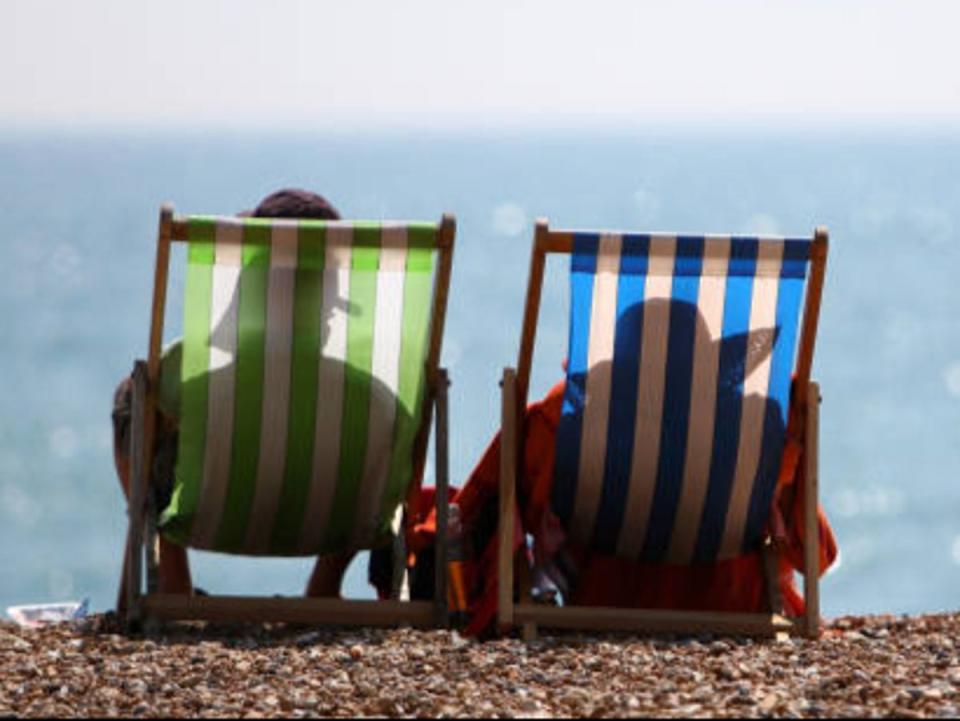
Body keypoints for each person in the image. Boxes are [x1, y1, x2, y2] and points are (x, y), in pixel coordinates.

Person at [409, 364, 838, 638]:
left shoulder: (566, 412)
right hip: (735, 604)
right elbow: (815, 555)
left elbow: (497, 506)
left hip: (605, 597)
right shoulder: (761, 424)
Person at [112, 188, 354, 599]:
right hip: (325, 518)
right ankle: (325, 585)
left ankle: (173, 581)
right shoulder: (364, 390)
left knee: (134, 403)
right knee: (376, 444)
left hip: (213, 515)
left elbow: (148, 398)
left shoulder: (189, 367)